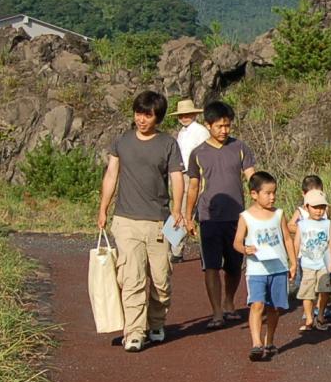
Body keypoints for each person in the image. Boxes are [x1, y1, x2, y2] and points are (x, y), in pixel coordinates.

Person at [97, 91, 185, 353]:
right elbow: (111, 175)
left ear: (157, 117)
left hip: (159, 221)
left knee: (161, 280)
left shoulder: (168, 144)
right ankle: (134, 332)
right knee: (131, 278)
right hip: (126, 220)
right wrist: (103, 208)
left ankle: (156, 322)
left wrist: (178, 209)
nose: (141, 119)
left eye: (147, 115)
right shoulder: (122, 142)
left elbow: (177, 177)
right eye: (138, 113)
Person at [184, 101, 256, 329]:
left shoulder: (241, 147)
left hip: (237, 218)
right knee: (211, 266)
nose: (224, 130)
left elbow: (252, 178)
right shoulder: (198, 153)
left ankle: (229, 302)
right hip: (208, 217)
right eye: (219, 126)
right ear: (208, 125)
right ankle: (216, 312)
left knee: (234, 265)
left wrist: (261, 208)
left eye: (227, 126)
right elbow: (193, 186)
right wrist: (187, 216)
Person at [234, 172, 296, 362]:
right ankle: (256, 343)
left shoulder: (278, 214)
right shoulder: (245, 217)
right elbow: (236, 242)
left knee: (274, 308)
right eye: (267, 193)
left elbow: (287, 238)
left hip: (278, 268)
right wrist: (245, 249)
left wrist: (293, 263)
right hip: (257, 270)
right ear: (254, 194)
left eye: (274, 193)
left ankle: (269, 340)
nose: (272, 197)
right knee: (257, 304)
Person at [294, 189, 331, 332]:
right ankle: (309, 318)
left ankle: (320, 315)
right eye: (315, 207)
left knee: (324, 291)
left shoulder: (327, 223)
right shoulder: (302, 225)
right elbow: (296, 243)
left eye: (322, 207)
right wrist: (293, 263)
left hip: (323, 264)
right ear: (307, 207)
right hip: (307, 265)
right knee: (307, 293)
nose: (319, 211)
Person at [170, 99, 208, 260]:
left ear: (194, 114)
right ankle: (175, 248)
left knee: (190, 211)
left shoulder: (200, 131)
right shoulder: (181, 132)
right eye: (182, 115)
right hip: (181, 174)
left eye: (187, 114)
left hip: (196, 175)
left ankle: (176, 250)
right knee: (180, 209)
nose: (184, 117)